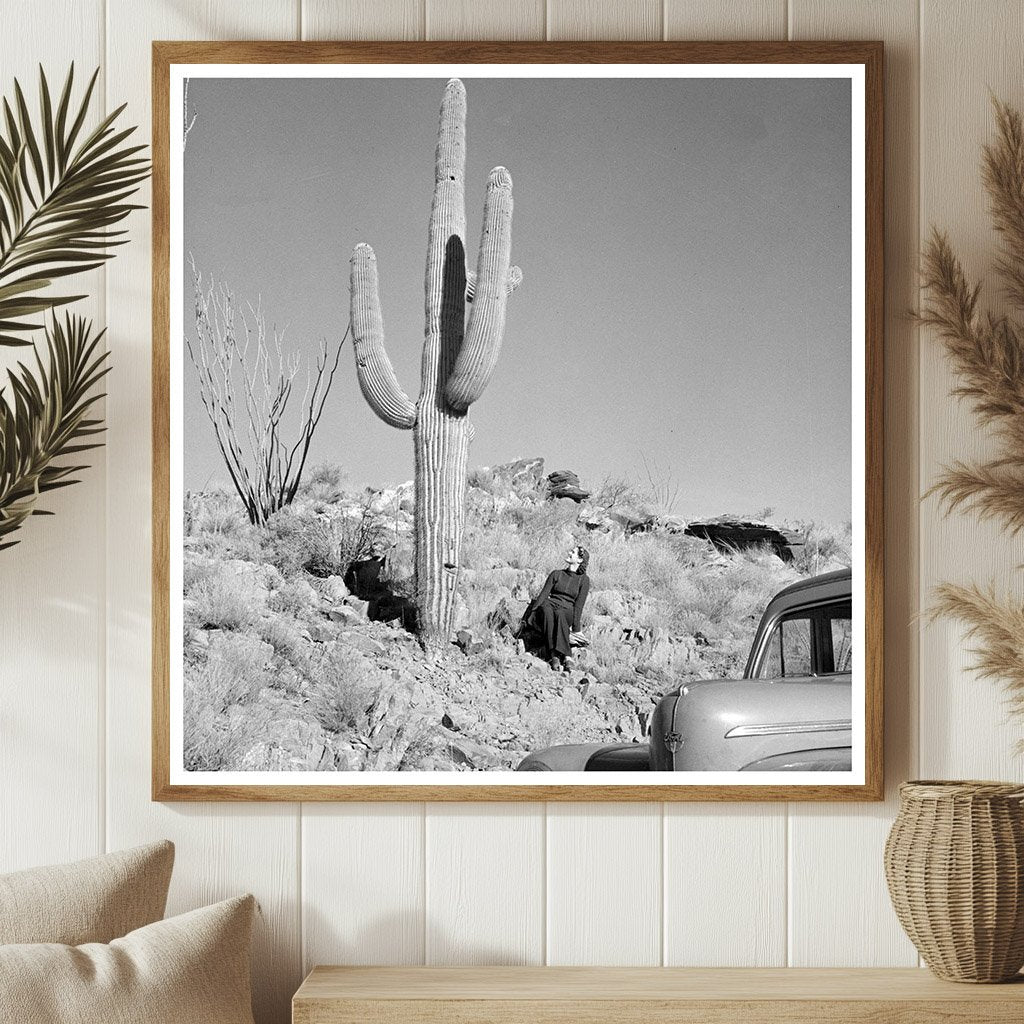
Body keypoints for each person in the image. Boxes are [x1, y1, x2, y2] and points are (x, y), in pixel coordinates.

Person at [519, 546, 591, 671]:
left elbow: (579, 606)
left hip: (567, 609)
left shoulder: (584, 580)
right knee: (547, 610)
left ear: (580, 560)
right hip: (551, 604)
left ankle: (565, 655)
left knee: (560, 613)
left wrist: (576, 629)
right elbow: (543, 594)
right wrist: (532, 613)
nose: (569, 552)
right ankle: (555, 655)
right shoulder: (556, 574)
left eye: (572, 552)